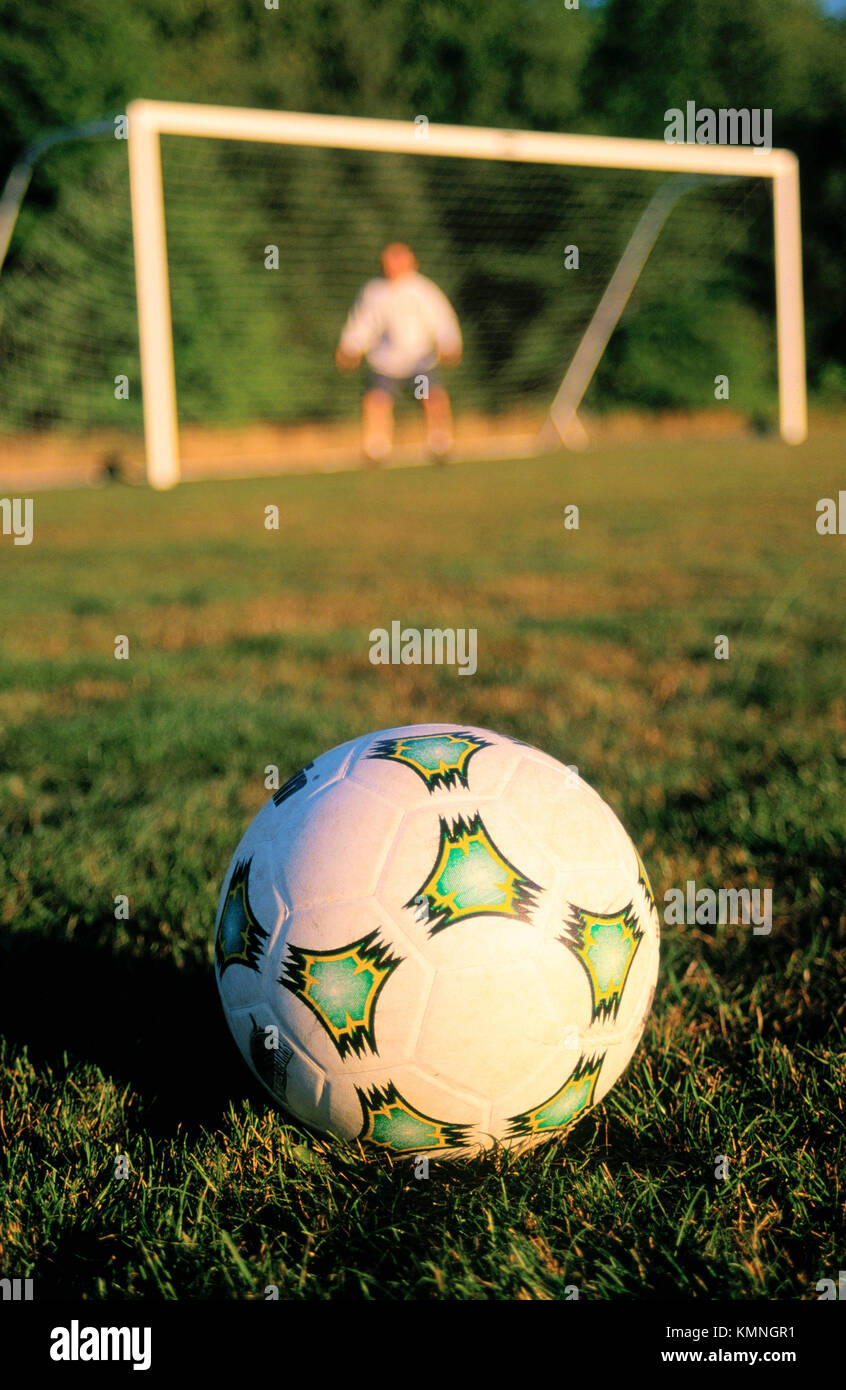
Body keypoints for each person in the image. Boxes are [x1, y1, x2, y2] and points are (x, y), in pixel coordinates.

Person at [335, 243, 462, 465]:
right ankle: (377, 448)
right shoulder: (374, 291)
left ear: (411, 261)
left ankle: (439, 443)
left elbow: (442, 318)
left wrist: (449, 343)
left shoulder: (423, 290)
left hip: (419, 358)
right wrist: (350, 347)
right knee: (377, 400)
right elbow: (363, 323)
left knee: (431, 396)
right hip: (386, 361)